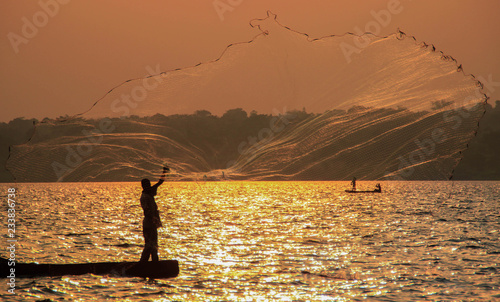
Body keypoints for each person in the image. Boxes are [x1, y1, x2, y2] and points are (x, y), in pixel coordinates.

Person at [140, 166, 169, 262]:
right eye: (147, 185)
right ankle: (143, 263)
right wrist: (154, 219)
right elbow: (146, 211)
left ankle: (154, 263)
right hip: (149, 224)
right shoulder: (144, 197)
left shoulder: (150, 192)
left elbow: (160, 182)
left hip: (152, 224)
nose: (149, 186)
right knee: (149, 245)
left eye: (149, 184)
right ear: (144, 186)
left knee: (154, 245)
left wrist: (164, 172)